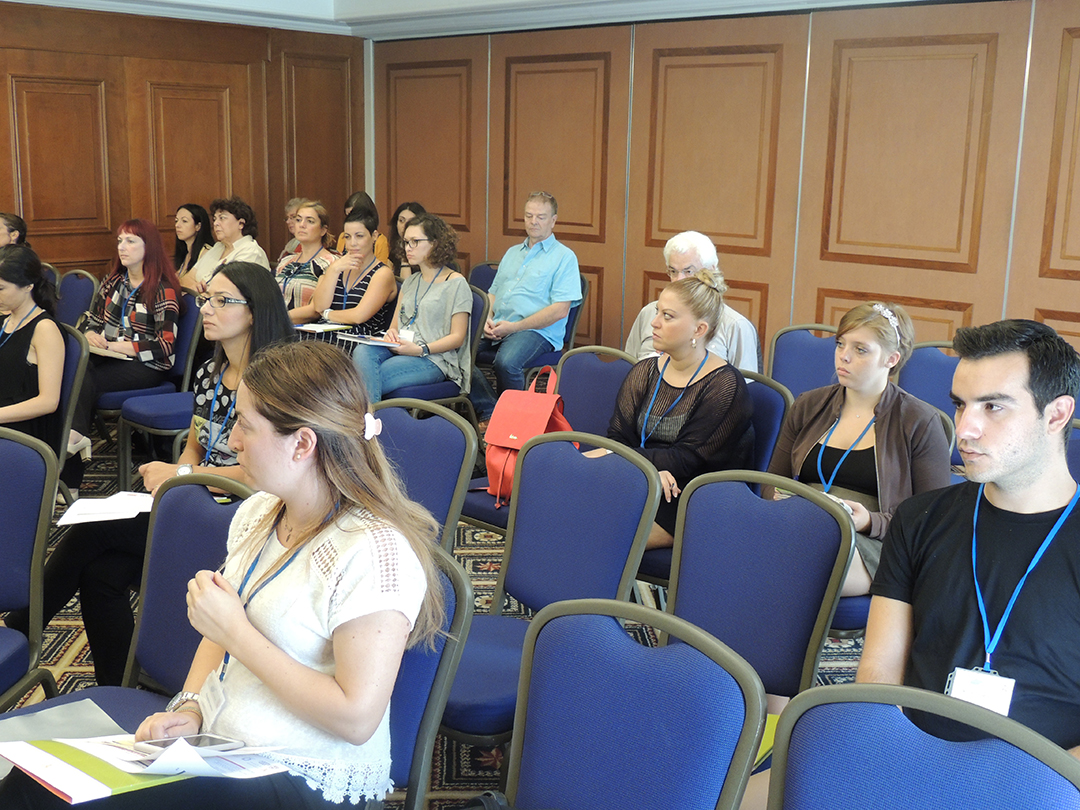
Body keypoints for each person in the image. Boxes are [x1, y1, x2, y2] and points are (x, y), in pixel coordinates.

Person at [0, 340, 448, 809]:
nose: (232, 441)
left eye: (246, 426)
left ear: (302, 444)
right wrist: (191, 706)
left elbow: (355, 718)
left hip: (301, 776)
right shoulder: (262, 513)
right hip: (225, 752)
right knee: (38, 783)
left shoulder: (374, 551)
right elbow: (219, 633)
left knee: (41, 797)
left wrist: (237, 634)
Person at [4, 262, 295, 687]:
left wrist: (182, 473)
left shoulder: (274, 384)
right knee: (101, 575)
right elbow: (195, 443)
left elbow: (258, 478)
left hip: (244, 517)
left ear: (254, 312)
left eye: (222, 301)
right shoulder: (211, 373)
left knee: (92, 533)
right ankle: (116, 685)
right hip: (195, 499)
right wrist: (182, 475)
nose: (206, 309)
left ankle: (20, 627)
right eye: (206, 299)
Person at [858, 319, 1080, 752]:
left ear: (1056, 414)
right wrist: (890, 756)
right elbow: (878, 675)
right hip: (913, 757)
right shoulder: (919, 518)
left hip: (1041, 777)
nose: (964, 429)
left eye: (993, 407)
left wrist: (1044, 785)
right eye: (961, 405)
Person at [764, 302, 951, 595]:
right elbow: (772, 481)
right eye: (841, 344)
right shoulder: (808, 405)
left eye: (860, 350)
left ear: (891, 359)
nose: (844, 356)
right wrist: (782, 503)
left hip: (874, 541)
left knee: (799, 566)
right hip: (800, 525)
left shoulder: (919, 421)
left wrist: (870, 522)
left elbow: (931, 520)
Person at [597, 271, 754, 549]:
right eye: (657, 312)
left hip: (692, 495)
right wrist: (648, 470)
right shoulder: (645, 370)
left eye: (667, 316)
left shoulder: (725, 385)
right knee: (569, 507)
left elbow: (686, 460)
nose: (654, 322)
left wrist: (638, 465)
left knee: (598, 536)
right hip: (645, 477)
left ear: (699, 330)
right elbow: (617, 438)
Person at [70, 219, 182, 449]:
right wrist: (90, 334)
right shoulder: (113, 282)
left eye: (130, 241)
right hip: (110, 355)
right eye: (120, 241)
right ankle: (68, 435)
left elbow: (165, 345)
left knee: (84, 375)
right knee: (74, 364)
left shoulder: (162, 289)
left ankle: (75, 435)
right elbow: (92, 319)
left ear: (148, 247)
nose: (121, 247)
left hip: (146, 364)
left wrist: (116, 347)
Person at [469, 191, 582, 420]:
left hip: (536, 332)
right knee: (456, 354)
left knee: (506, 362)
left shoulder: (564, 257)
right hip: (498, 325)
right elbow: (492, 294)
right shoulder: (512, 253)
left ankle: (514, 421)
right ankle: (491, 410)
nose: (533, 221)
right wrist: (486, 319)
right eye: (529, 215)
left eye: (541, 217)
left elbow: (560, 310)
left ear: (553, 220)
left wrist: (514, 327)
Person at [352, 213, 471, 402]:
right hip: (402, 347)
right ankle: (371, 418)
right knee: (362, 351)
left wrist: (421, 349)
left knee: (365, 380)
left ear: (435, 243)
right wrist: (391, 334)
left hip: (432, 358)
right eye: (406, 242)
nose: (408, 247)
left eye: (415, 241)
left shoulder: (456, 283)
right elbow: (394, 326)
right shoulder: (410, 282)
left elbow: (458, 337)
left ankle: (367, 419)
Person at [624, 230, 760, 372]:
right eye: (673, 271)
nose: (678, 280)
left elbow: (745, 383)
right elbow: (627, 368)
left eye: (688, 271)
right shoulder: (649, 313)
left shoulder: (735, 325)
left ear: (711, 270)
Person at [0, 244, 64, 452]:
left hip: (23, 431)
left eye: (1, 289)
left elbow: (48, 402)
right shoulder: (5, 320)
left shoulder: (45, 329)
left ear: (28, 286)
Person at [308, 209, 397, 352]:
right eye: (347, 237)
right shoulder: (337, 267)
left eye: (359, 236)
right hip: (326, 334)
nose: (352, 243)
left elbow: (358, 316)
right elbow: (319, 306)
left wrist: (327, 314)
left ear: (374, 236)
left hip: (360, 340)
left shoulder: (382, 273)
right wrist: (333, 270)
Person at [188, 197, 271, 292]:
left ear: (241, 224)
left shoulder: (251, 252)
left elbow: (231, 291)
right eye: (214, 219)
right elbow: (188, 277)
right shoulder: (218, 247)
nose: (215, 223)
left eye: (222, 218)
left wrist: (201, 290)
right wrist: (195, 288)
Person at [275, 200, 336, 324]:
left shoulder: (330, 263)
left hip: (306, 330)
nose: (302, 225)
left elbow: (315, 310)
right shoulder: (286, 262)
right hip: (277, 327)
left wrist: (277, 319)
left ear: (323, 230)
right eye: (298, 220)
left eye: (310, 221)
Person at [334, 191, 390, 263]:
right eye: (348, 215)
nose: (352, 243)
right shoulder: (342, 237)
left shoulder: (380, 241)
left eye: (359, 236)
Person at [173, 203, 215, 278]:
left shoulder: (207, 253)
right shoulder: (187, 254)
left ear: (198, 226)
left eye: (184, 221)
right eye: (176, 221)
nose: (177, 225)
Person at [388, 201, 426, 278]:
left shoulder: (424, 250)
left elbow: (406, 282)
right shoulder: (396, 247)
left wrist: (404, 260)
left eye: (411, 221)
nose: (405, 226)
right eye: (401, 220)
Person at [276, 197, 306, 262]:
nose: (288, 222)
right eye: (287, 218)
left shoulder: (308, 245)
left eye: (293, 217)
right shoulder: (291, 243)